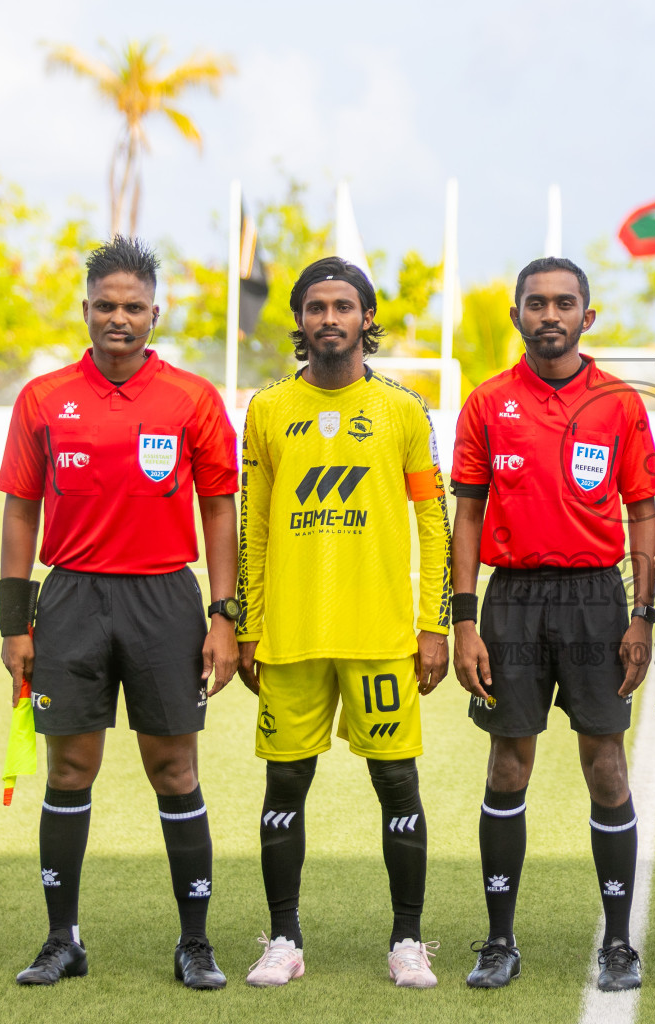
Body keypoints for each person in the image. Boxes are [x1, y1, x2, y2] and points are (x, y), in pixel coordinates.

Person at [0, 236, 239, 990]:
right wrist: (13, 623)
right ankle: (61, 940)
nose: (119, 318)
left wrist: (224, 615)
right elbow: (21, 511)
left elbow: (219, 508)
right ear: (85, 310)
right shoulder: (43, 398)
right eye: (105, 305)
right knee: (70, 767)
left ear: (154, 314)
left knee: (174, 768)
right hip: (71, 597)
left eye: (133, 307)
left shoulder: (192, 399)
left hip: (165, 599)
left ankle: (195, 943)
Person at [236, 256, 451, 989]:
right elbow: (254, 526)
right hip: (291, 637)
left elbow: (434, 525)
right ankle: (284, 940)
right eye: (316, 307)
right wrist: (247, 625)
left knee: (398, 785)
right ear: (300, 320)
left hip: (380, 636)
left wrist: (433, 626)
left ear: (366, 318)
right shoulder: (268, 409)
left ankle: (408, 941)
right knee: (284, 787)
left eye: (343, 306)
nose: (329, 318)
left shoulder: (403, 410)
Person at [449, 256, 655, 992]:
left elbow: (643, 511)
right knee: (509, 763)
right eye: (536, 303)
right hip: (511, 600)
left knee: (606, 763)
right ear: (517, 315)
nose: (550, 315)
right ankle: (499, 941)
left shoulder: (619, 403)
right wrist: (465, 621)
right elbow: (467, 514)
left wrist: (642, 613)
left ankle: (618, 942)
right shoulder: (487, 402)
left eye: (564, 303)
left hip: (596, 599)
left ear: (587, 316)